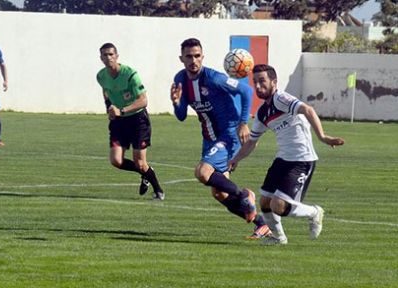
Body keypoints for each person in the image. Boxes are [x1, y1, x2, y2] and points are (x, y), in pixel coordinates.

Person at [229, 64, 345, 245]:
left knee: (278, 205)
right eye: (255, 82)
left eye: (262, 81)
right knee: (265, 202)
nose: (258, 86)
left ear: (274, 82)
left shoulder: (281, 99)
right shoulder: (262, 112)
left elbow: (308, 110)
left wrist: (322, 137)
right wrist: (235, 159)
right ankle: (279, 238)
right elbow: (252, 142)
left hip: (302, 159)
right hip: (283, 159)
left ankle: (314, 212)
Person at [170, 38, 270, 239]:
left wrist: (243, 123)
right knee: (219, 193)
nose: (193, 60)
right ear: (181, 58)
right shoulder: (180, 79)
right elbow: (181, 116)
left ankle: (244, 195)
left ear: (202, 57)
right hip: (210, 139)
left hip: (229, 135)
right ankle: (262, 224)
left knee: (202, 172)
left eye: (197, 56)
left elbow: (246, 90)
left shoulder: (214, 78)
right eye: (188, 56)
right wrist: (176, 102)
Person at [96, 43, 164, 200]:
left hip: (138, 120)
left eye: (111, 54)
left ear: (117, 56)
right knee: (116, 160)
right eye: (105, 55)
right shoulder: (101, 76)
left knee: (140, 163)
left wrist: (122, 110)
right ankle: (145, 173)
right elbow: (106, 91)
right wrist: (109, 107)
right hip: (119, 122)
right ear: (101, 58)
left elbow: (143, 100)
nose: (108, 57)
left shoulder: (130, 75)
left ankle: (158, 189)